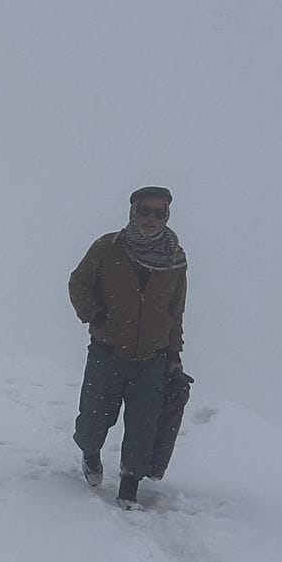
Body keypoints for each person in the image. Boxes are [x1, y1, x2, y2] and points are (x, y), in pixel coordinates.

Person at [67, 185, 191, 508]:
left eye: (158, 212)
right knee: (93, 423)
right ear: (133, 212)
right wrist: (95, 315)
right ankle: (91, 455)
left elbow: (175, 312)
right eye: (145, 211)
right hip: (107, 354)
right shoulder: (108, 248)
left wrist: (174, 356)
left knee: (143, 428)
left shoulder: (175, 260)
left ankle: (128, 490)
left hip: (152, 360)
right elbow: (78, 282)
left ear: (166, 215)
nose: (151, 218)